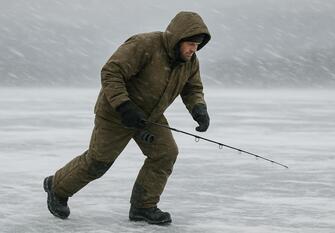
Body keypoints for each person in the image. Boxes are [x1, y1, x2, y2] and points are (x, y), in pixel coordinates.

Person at [43, 11, 211, 225]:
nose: (192, 49)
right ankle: (56, 187)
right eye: (189, 43)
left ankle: (143, 206)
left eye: (197, 45)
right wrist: (125, 106)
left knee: (165, 153)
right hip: (116, 112)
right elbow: (111, 72)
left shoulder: (190, 61)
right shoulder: (145, 44)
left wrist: (199, 109)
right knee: (98, 162)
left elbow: (192, 88)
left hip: (150, 117)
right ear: (177, 38)